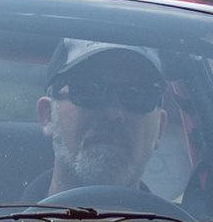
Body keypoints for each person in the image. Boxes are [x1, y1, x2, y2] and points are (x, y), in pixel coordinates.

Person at [23, 39, 168, 202]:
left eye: (137, 94)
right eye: (89, 90)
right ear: (48, 115)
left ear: (159, 128)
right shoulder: (1, 219)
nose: (113, 113)